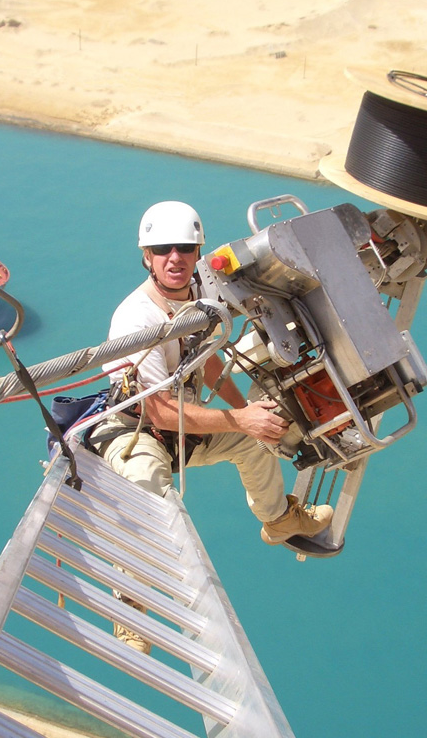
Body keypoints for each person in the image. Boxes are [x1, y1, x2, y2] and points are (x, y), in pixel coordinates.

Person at [91, 200, 333, 652]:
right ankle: (128, 603)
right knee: (147, 486)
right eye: (162, 249)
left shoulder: (197, 300)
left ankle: (278, 520)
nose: (174, 258)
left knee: (257, 440)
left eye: (184, 248)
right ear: (146, 256)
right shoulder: (136, 318)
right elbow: (157, 410)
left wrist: (250, 419)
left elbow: (208, 362)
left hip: (181, 426)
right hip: (136, 428)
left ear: (198, 251)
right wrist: (240, 419)